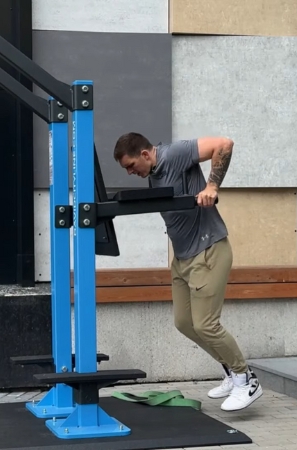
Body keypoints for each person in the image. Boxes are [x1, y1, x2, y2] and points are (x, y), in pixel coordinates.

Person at [112, 132, 262, 412]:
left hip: (208, 251)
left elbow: (224, 144)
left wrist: (212, 186)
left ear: (145, 154)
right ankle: (231, 371)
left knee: (207, 324)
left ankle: (246, 379)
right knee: (185, 323)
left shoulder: (174, 154)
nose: (131, 172)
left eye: (131, 165)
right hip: (183, 259)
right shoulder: (154, 172)